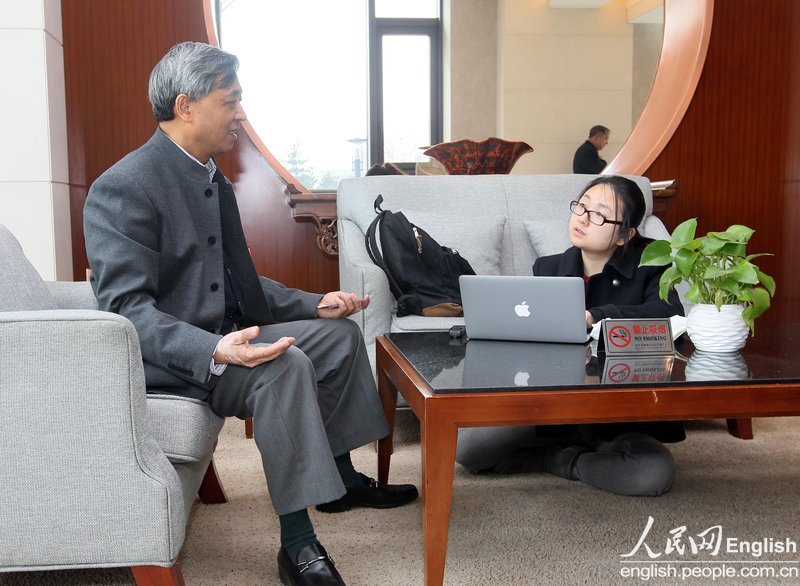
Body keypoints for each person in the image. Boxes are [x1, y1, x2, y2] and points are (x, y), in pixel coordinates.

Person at [83, 41, 417, 586]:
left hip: (225, 339)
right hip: (177, 360)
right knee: (284, 365)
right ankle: (298, 545)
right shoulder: (125, 187)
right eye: (231, 100)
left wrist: (316, 304)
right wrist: (214, 347)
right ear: (186, 106)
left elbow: (237, 284)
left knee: (338, 339)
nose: (241, 113)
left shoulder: (211, 177)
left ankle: (340, 479)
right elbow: (125, 312)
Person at [455, 176, 684, 497]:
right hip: (550, 411)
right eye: (581, 207)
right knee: (468, 448)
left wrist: (598, 316)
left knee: (652, 474)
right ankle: (557, 456)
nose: (583, 218)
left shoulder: (652, 267)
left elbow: (671, 318)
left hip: (618, 419)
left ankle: (563, 462)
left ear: (625, 235)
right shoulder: (549, 269)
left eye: (599, 215)